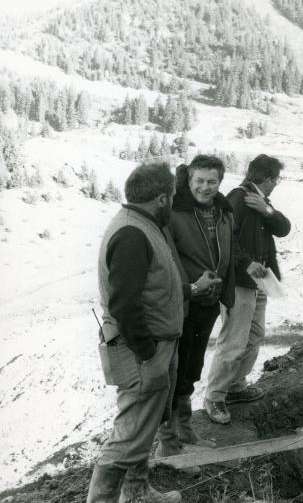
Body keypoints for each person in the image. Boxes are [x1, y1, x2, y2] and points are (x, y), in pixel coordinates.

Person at [87, 163, 219, 503]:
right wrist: (148, 355)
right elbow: (124, 306)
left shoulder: (144, 226)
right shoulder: (133, 233)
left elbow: (154, 287)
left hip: (154, 348)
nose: (174, 202)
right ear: (162, 198)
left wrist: (189, 291)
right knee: (128, 436)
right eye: (172, 197)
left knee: (144, 426)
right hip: (141, 351)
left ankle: (137, 493)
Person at [155, 155, 236, 458]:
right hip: (184, 303)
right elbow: (167, 259)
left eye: (211, 181)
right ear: (188, 181)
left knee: (191, 369)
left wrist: (226, 294)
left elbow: (229, 250)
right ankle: (168, 443)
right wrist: (190, 287)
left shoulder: (223, 212)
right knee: (172, 372)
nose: (205, 187)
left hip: (208, 303)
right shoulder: (175, 212)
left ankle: (185, 429)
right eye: (199, 180)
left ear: (219, 182)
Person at [204, 154, 291, 424]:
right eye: (276, 179)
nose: (277, 183)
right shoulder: (239, 199)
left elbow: (284, 228)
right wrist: (247, 262)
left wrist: (268, 212)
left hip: (260, 279)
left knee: (254, 335)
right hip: (241, 282)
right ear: (266, 180)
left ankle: (235, 386)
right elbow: (222, 239)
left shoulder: (259, 200)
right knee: (234, 339)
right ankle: (215, 396)